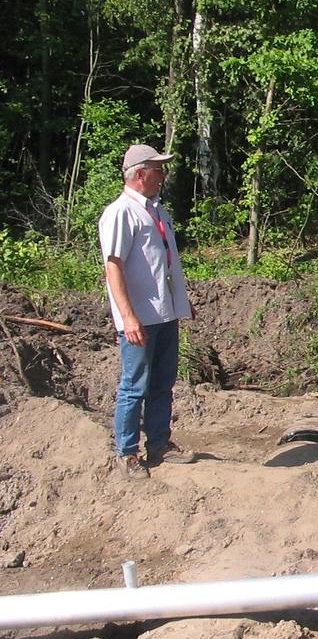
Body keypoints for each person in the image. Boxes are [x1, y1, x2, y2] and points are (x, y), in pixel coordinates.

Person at [99, 144, 197, 479]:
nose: (164, 176)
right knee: (134, 386)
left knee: (163, 382)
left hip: (164, 314)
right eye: (159, 170)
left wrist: (179, 299)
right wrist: (128, 317)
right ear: (141, 174)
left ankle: (159, 443)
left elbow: (163, 264)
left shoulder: (157, 211)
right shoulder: (121, 213)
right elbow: (114, 267)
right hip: (139, 318)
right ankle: (127, 453)